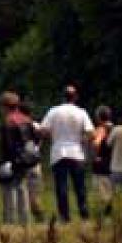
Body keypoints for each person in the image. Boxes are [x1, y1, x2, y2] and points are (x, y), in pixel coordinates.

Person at [40, 85, 94, 222]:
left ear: (63, 97)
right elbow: (91, 133)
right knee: (79, 186)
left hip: (58, 152)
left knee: (61, 186)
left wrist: (53, 135)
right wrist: (82, 139)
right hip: (76, 152)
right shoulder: (81, 112)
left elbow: (43, 131)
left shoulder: (53, 111)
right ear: (75, 97)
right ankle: (83, 212)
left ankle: (65, 216)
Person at [0, 91, 38, 225]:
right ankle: (25, 222)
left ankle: (10, 223)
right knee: (23, 189)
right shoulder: (27, 120)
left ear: (5, 106)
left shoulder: (8, 122)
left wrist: (4, 162)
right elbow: (35, 139)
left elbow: (7, 146)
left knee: (10, 191)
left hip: (13, 161)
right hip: (27, 160)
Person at [20, 101, 45, 222]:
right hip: (35, 162)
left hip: (22, 162)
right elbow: (39, 143)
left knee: (22, 192)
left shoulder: (19, 125)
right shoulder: (36, 126)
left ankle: (26, 218)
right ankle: (38, 215)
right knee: (35, 193)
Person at [91, 105, 114, 214]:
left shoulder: (101, 129)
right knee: (110, 187)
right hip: (113, 162)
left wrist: (95, 156)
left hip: (101, 163)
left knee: (101, 188)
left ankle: (107, 209)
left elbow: (96, 143)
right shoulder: (114, 128)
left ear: (99, 117)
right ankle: (111, 206)